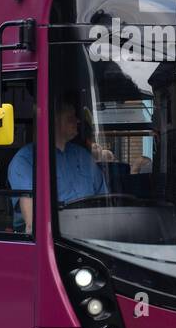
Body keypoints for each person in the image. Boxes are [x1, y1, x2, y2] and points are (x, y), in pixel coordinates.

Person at [8, 98, 106, 233]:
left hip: (92, 234)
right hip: (54, 237)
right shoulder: (25, 160)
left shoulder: (83, 156)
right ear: (53, 121)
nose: (77, 121)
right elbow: (32, 224)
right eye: (70, 118)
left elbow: (103, 200)